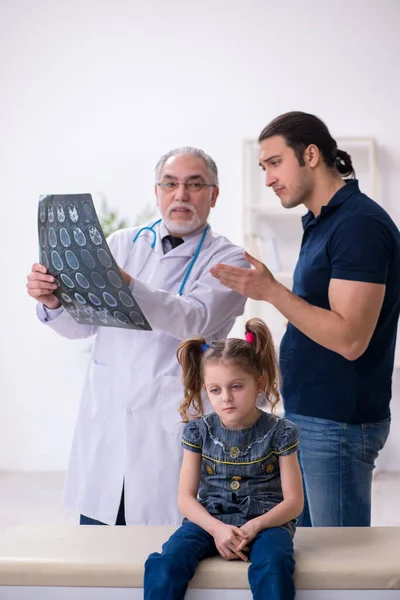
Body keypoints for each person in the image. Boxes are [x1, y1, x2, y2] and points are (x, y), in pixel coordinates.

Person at [26, 146, 249, 526]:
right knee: (99, 549)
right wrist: (54, 304)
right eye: (171, 184)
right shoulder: (119, 244)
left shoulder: (231, 260)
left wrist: (126, 283)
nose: (181, 194)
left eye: (195, 185)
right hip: (108, 422)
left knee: (161, 548)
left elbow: (194, 320)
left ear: (213, 195)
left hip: (169, 431)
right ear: (157, 191)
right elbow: (83, 326)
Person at [210, 111, 400, 527]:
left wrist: (270, 292)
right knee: (312, 553)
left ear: (311, 154)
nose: (268, 178)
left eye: (275, 163)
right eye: (263, 168)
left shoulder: (359, 226)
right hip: (313, 414)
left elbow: (350, 339)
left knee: (339, 563)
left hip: (337, 422)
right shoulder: (324, 222)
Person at [144, 318, 303, 600]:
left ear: (260, 383)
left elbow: (293, 503)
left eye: (237, 386)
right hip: (209, 521)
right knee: (166, 563)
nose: (226, 398)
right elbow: (185, 498)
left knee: (274, 565)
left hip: (266, 524)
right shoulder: (197, 431)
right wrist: (217, 529)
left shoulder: (282, 432)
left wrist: (253, 527)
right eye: (215, 390)